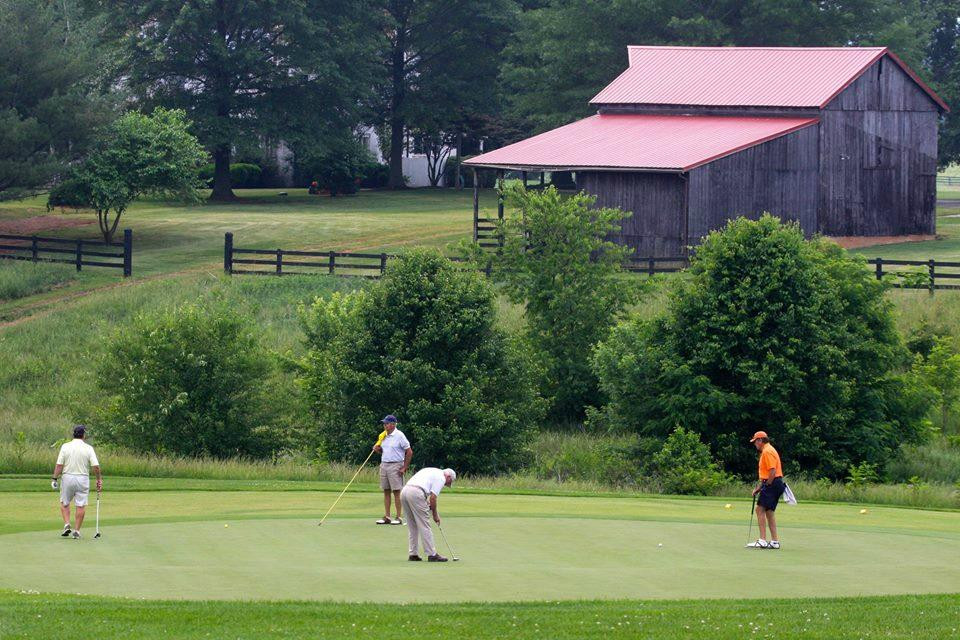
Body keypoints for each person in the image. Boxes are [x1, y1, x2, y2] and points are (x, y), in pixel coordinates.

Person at [51, 425, 102, 539]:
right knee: (80, 505)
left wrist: (54, 478)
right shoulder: (88, 448)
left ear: (73, 434)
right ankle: (77, 531)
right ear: (83, 435)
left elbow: (59, 465)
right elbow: (96, 467)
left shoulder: (65, 446)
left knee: (65, 503)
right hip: (83, 479)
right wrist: (99, 480)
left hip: (67, 477)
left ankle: (67, 523)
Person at [400, 467, 455, 562]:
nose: (447, 484)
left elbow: (422, 487)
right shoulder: (441, 478)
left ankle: (413, 554)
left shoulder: (431, 470)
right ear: (449, 476)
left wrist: (424, 501)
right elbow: (433, 498)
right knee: (424, 524)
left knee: (412, 526)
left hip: (404, 491)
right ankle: (432, 554)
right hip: (416, 493)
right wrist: (435, 515)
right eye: (449, 482)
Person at [748, 431, 784, 549]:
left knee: (759, 509)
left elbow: (772, 471)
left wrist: (766, 485)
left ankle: (762, 540)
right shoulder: (769, 449)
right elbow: (768, 473)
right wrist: (759, 488)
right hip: (775, 483)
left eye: (755, 442)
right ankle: (775, 542)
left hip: (772, 483)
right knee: (769, 512)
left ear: (760, 440)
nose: (755, 444)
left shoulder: (767, 451)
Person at [372, 415, 412, 525]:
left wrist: (404, 467)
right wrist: (377, 449)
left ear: (393, 424)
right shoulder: (383, 436)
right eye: (384, 423)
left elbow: (409, 452)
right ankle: (387, 517)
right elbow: (383, 451)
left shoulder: (400, 435)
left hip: (396, 465)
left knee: (397, 492)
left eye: (387, 423)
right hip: (384, 464)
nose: (385, 425)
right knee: (386, 491)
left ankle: (399, 517)